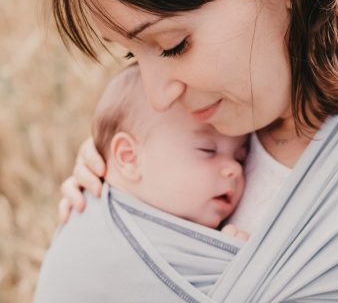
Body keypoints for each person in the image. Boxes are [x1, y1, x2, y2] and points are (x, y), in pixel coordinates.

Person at [32, 0, 338, 303]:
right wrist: (113, 194)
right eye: (131, 55)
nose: (157, 97)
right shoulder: (239, 105)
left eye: (173, 45)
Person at [90, 64, 249, 234]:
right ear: (129, 157)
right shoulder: (103, 231)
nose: (236, 168)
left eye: (240, 158)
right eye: (207, 150)